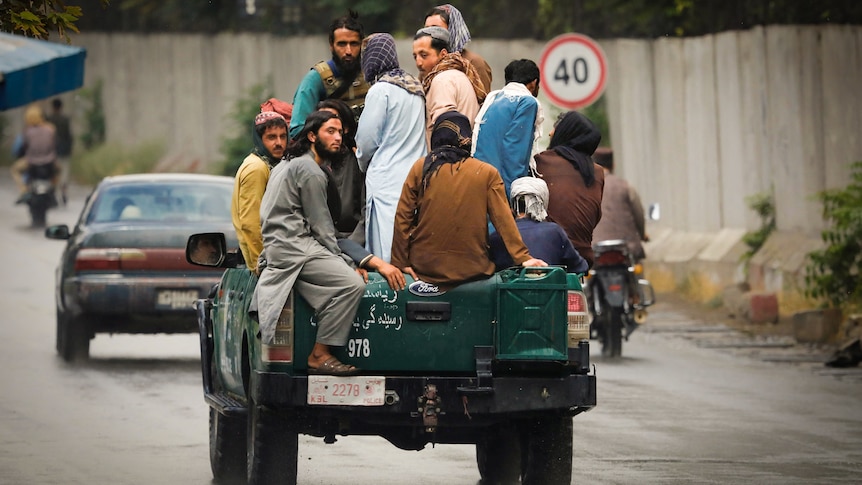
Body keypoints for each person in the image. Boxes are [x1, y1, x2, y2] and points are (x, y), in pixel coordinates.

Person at [250, 111, 365, 376]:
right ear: (312, 136)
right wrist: (346, 261)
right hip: (296, 247)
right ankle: (320, 354)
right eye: (330, 132)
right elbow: (322, 227)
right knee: (352, 284)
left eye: (340, 133)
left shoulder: (288, 163)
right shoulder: (310, 170)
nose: (338, 138)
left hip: (280, 246)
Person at [391, 111, 546, 291]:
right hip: (472, 270)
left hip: (425, 268)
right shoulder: (487, 173)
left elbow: (402, 217)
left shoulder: (421, 167)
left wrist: (399, 262)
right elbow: (503, 220)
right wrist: (523, 258)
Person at [354, 33, 427, 263]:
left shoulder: (380, 90)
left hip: (386, 179)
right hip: (416, 176)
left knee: (386, 244)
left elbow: (366, 140)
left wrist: (362, 162)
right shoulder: (415, 87)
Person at [534, 111, 605, 267]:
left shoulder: (540, 163)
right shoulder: (598, 172)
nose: (550, 133)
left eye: (555, 129)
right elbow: (595, 215)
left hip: (546, 254)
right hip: (583, 256)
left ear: (564, 133)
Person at [289, 11, 370, 139]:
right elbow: (298, 129)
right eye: (342, 44)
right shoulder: (315, 79)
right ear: (331, 46)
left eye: (354, 44)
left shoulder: (370, 74)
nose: (348, 51)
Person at [472, 59, 544, 199]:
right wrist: (514, 195)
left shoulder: (493, 98)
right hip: (500, 187)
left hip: (479, 178)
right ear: (534, 83)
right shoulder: (526, 102)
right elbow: (515, 150)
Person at [489, 177, 588, 273]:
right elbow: (580, 267)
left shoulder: (497, 235)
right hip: (551, 289)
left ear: (513, 203)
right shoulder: (554, 231)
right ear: (543, 201)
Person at [231, 111, 287, 274]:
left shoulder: (267, 163)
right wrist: (261, 266)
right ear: (259, 139)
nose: (279, 143)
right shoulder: (257, 168)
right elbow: (251, 222)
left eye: (282, 136)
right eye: (271, 137)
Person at [412, 26, 486, 146]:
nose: (418, 63)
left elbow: (445, 132)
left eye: (424, 55)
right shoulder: (457, 74)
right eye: (415, 56)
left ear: (443, 54)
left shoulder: (442, 81)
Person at [591, 147, 648, 261]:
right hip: (627, 247)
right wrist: (642, 234)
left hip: (596, 248)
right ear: (614, 165)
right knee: (637, 274)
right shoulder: (625, 186)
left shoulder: (588, 189)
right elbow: (638, 214)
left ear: (594, 166)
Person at [423, 4, 492, 94]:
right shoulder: (428, 61)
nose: (430, 34)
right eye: (426, 29)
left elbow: (483, 101)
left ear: (452, 30)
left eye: (436, 28)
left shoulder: (475, 63)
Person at [12, 104, 56, 204]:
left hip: (31, 162)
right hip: (49, 162)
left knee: (15, 170)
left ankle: (24, 191)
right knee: (59, 171)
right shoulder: (50, 129)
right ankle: (54, 189)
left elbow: (22, 147)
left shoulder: (27, 131)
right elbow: (54, 145)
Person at [45, 98, 73, 205]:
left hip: (51, 151)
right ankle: (64, 192)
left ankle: (54, 194)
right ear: (61, 107)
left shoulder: (49, 119)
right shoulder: (65, 119)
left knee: (54, 173)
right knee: (64, 172)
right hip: (64, 150)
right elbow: (69, 136)